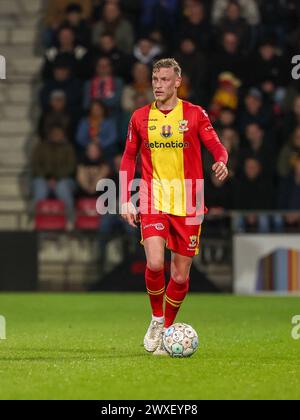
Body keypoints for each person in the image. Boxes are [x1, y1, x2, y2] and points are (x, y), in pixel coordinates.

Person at [119, 58, 228, 355]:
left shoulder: (194, 114)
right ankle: (156, 319)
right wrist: (125, 197)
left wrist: (221, 161)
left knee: (180, 276)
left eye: (165, 79)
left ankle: (168, 326)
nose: (158, 84)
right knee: (155, 263)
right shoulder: (140, 117)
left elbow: (216, 145)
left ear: (177, 82)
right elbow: (129, 158)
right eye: (155, 79)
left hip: (189, 200)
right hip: (153, 197)